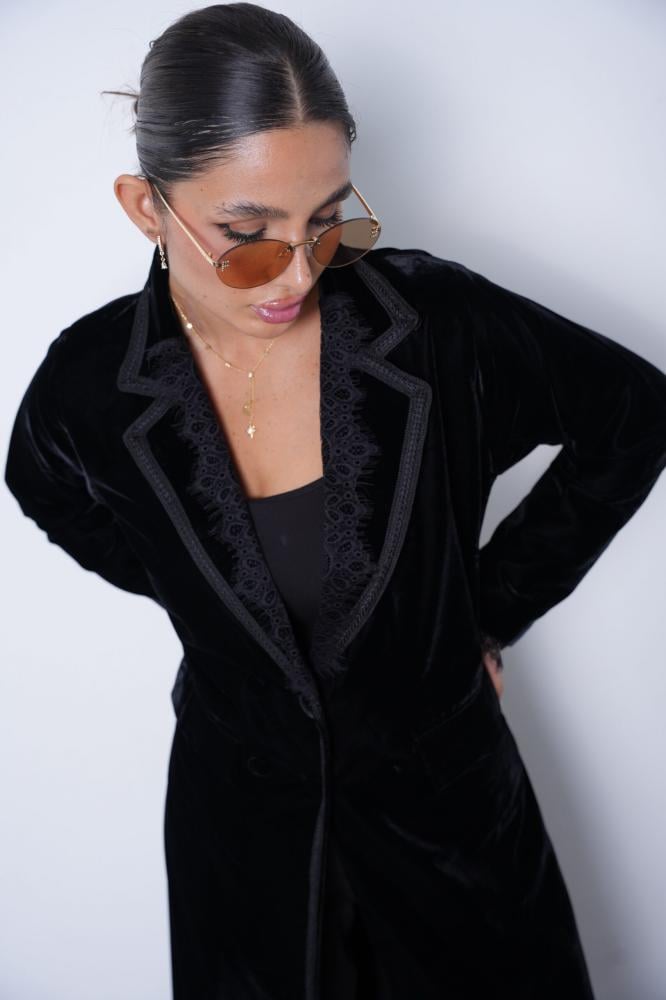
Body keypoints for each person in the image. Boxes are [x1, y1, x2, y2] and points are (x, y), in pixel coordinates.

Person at [4, 3, 666, 998]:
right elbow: (44, 487)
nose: (300, 272)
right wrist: (213, 613)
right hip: (244, 846)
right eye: (247, 236)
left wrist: (483, 613)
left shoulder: (438, 325)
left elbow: (634, 416)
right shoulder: (89, 383)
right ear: (146, 207)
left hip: (451, 833)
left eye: (328, 221)